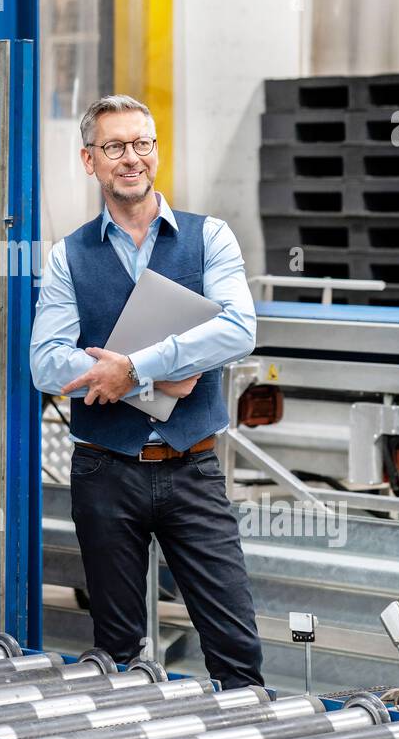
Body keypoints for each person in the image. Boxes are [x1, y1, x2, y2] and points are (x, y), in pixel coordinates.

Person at [30, 94, 263, 688]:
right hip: (105, 473)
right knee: (114, 655)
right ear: (90, 161)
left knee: (235, 647)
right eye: (114, 147)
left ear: (155, 152)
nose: (131, 158)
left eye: (142, 144)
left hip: (193, 468)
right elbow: (45, 365)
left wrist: (134, 368)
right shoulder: (68, 258)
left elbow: (238, 330)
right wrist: (169, 369)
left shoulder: (210, 238)